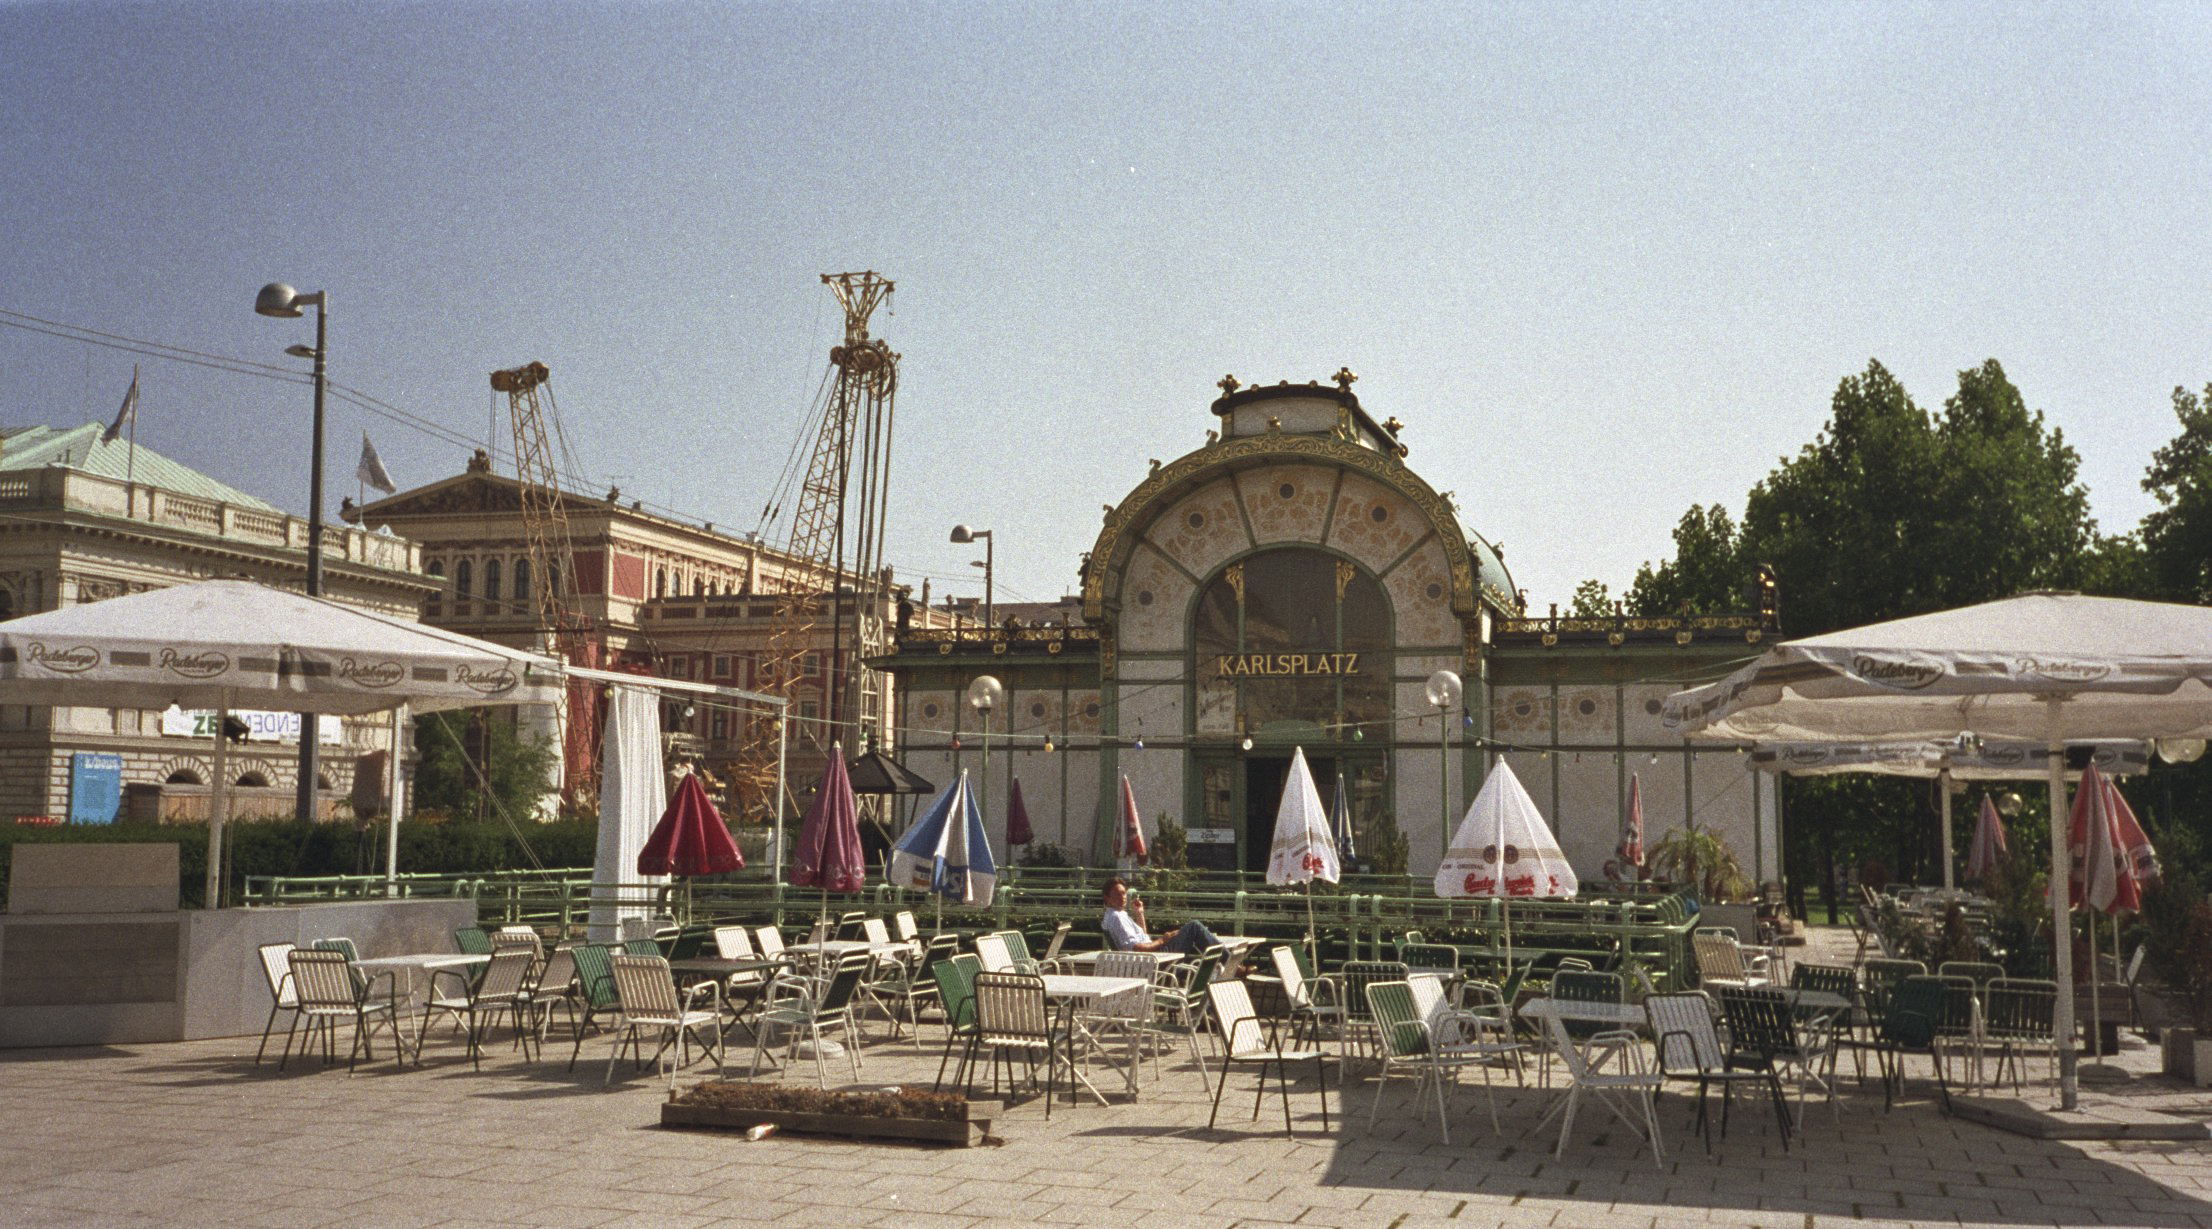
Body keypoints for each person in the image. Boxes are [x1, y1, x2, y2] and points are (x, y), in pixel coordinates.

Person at [1100, 876, 1223, 953]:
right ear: (1107, 898)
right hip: (1155, 957)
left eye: (1123, 893)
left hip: (1152, 954)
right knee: (1194, 927)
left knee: (1195, 935)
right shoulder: (1117, 917)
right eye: (1117, 894)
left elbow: (1142, 937)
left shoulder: (1116, 915)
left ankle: (1223, 965)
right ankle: (1229, 963)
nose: (1123, 897)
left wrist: (1139, 914)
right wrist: (1162, 940)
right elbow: (1135, 948)